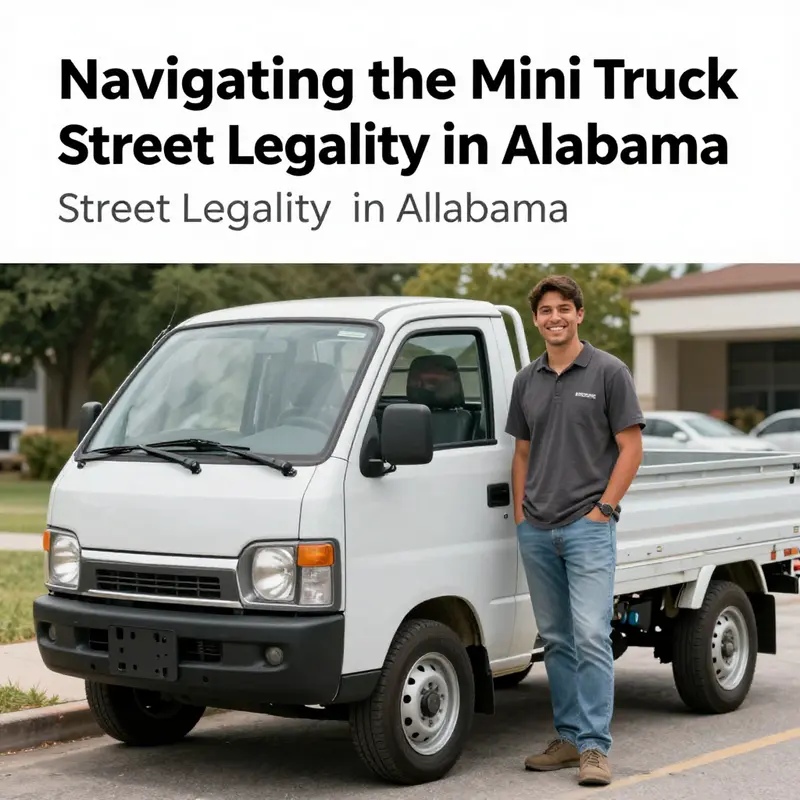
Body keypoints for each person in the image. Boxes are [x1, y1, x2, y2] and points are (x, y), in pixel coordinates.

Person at [504, 274, 645, 787]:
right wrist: (521, 515)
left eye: (564, 308)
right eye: (546, 311)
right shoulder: (527, 380)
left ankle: (594, 748)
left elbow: (631, 447)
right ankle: (567, 739)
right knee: (558, 639)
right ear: (536, 319)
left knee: (590, 635)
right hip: (536, 528)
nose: (555, 317)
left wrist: (603, 510)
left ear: (579, 314)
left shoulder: (608, 371)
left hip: (587, 526)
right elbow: (521, 453)